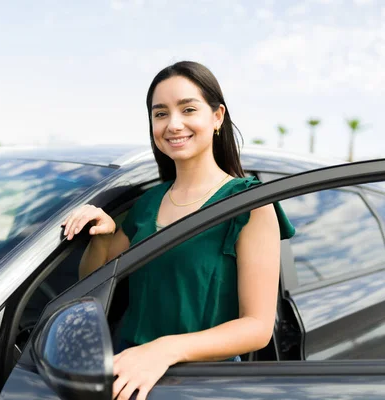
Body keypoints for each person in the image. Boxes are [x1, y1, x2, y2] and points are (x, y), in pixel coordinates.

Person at [61, 61, 295, 400]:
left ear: (217, 117)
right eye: (160, 114)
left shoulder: (249, 204)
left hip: (203, 383)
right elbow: (92, 283)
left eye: (188, 109)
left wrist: (164, 350)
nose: (173, 124)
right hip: (127, 373)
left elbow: (257, 328)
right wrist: (103, 234)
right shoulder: (145, 203)